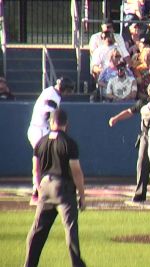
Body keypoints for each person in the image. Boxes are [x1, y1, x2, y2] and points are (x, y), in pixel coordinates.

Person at [24, 109, 86, 267]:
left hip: (45, 186)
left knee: (37, 231)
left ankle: (29, 264)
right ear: (66, 123)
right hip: (63, 189)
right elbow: (76, 171)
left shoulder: (41, 142)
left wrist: (39, 188)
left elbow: (35, 170)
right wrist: (82, 195)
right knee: (70, 230)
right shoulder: (69, 143)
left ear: (51, 123)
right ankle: (76, 264)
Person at [27, 77, 74, 205]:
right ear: (64, 89)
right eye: (68, 91)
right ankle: (36, 193)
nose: (68, 94)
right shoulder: (51, 95)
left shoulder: (53, 93)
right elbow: (51, 117)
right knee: (42, 162)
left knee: (45, 162)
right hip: (39, 130)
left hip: (43, 130)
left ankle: (41, 191)